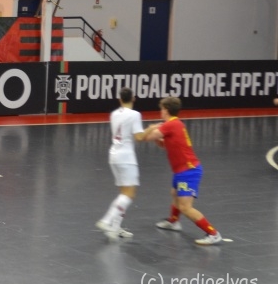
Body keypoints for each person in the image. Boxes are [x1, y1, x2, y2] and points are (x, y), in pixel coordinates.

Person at [144, 97, 224, 245]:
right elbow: (163, 144)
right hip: (181, 171)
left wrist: (150, 127)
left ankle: (213, 233)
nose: (160, 112)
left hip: (188, 172)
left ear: (166, 110)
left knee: (185, 207)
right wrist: (157, 135)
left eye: (161, 109)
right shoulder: (175, 124)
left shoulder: (171, 125)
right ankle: (174, 222)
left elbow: (146, 137)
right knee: (174, 193)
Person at [95, 87, 146, 239]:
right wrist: (151, 130)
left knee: (123, 194)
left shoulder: (114, 114)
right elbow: (139, 137)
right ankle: (107, 220)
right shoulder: (135, 115)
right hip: (126, 158)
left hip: (114, 156)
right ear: (133, 98)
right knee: (129, 194)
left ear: (120, 99)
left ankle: (115, 228)